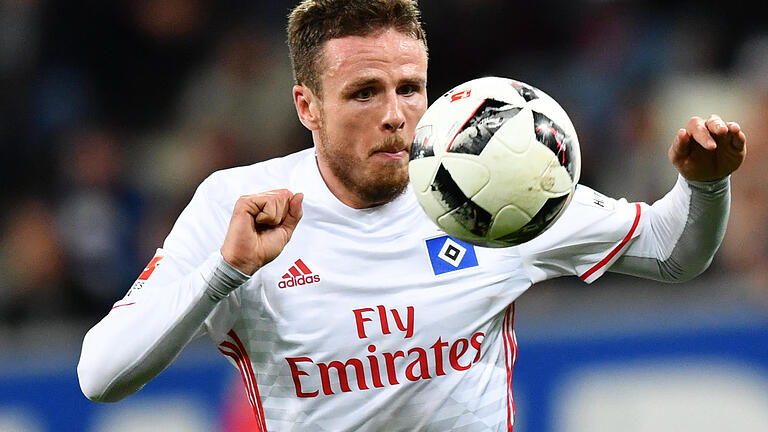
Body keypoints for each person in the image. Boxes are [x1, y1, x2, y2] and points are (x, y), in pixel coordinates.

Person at [77, 1, 747, 430]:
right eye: (364, 92)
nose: (395, 114)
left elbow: (671, 251)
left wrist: (705, 185)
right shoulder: (240, 205)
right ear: (307, 107)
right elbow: (100, 376)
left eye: (409, 88)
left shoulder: (492, 178)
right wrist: (224, 272)